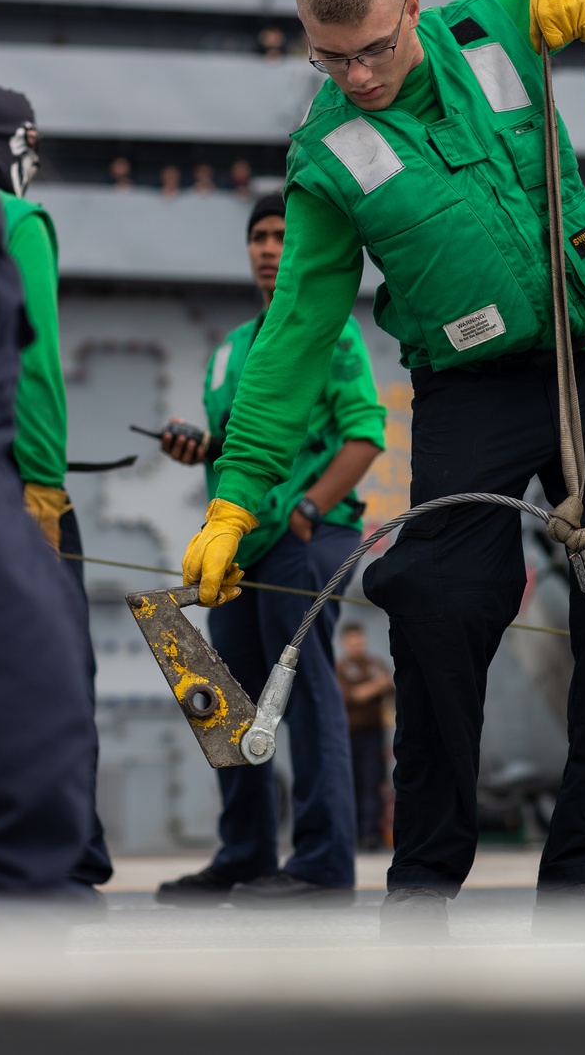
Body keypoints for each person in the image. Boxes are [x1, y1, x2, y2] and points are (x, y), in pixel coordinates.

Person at [180, 0, 585, 933]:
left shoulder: (493, 23)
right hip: (468, 389)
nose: (355, 76)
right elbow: (293, 338)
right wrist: (237, 497)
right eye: (331, 58)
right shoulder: (326, 159)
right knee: (440, 603)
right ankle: (423, 884)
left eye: (370, 50)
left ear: (409, 12)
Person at [156, 194, 386, 907]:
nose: (266, 247)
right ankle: (246, 851)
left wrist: (311, 510)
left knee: (308, 692)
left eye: (281, 236)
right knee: (221, 699)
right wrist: (194, 444)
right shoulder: (226, 352)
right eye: (257, 236)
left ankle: (322, 862)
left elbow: (365, 433)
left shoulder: (333, 333)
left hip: (308, 536)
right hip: (243, 547)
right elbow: (234, 453)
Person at [0, 81, 112, 897]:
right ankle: (72, 855)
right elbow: (34, 370)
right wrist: (42, 489)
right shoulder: (16, 219)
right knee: (56, 661)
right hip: (11, 489)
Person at [337, 623, 394, 851]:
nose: (358, 644)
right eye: (353, 640)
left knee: (373, 783)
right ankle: (354, 833)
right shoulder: (342, 668)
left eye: (360, 640)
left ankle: (371, 834)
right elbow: (354, 696)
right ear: (345, 642)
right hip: (349, 736)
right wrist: (377, 686)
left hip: (373, 735)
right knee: (352, 784)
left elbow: (391, 687)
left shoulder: (374, 664)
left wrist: (380, 685)